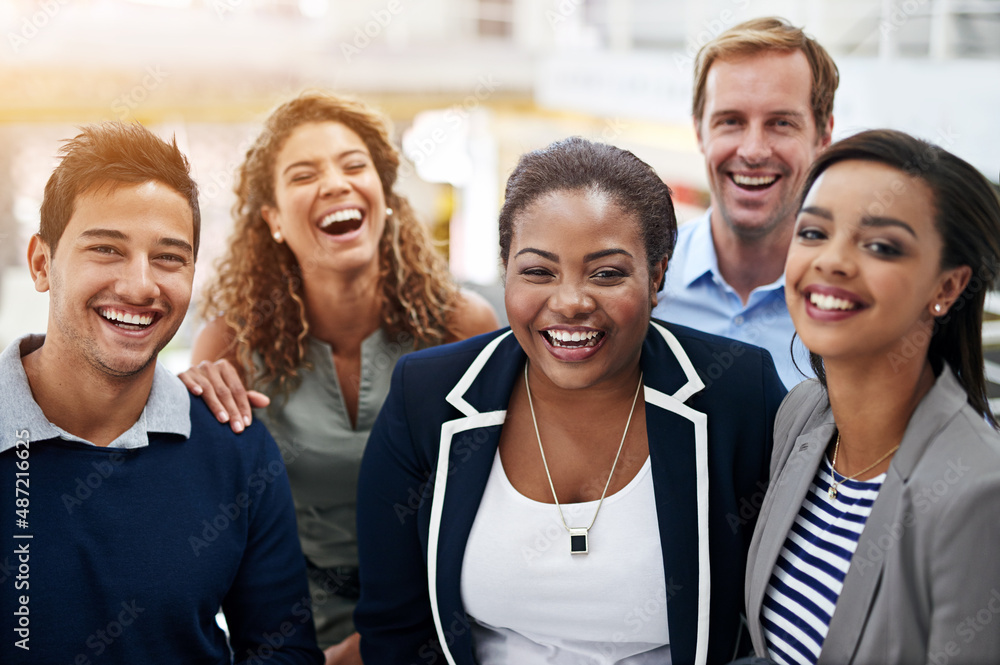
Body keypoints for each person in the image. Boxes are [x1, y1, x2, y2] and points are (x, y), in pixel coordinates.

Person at [354, 137, 786, 665]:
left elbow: (787, 616)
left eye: (607, 273)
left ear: (657, 276)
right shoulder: (427, 396)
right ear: (506, 270)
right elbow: (394, 627)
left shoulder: (738, 392)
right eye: (538, 271)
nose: (571, 302)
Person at [178, 91, 499, 657]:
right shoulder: (232, 347)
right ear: (273, 219)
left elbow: (489, 516)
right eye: (305, 174)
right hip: (290, 640)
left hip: (437, 629)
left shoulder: (461, 328)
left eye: (355, 166)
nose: (336, 184)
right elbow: (213, 536)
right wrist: (183, 421)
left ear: (385, 196)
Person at [0, 123, 322, 663]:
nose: (140, 286)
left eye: (169, 257)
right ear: (41, 264)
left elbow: (282, 651)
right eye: (106, 249)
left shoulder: (237, 448)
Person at [744, 129, 1000, 664]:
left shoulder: (979, 493)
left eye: (881, 246)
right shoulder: (801, 416)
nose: (832, 261)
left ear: (947, 288)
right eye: (813, 233)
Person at [653, 17, 839, 389]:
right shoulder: (641, 285)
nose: (753, 151)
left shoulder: (861, 303)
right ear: (699, 132)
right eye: (731, 121)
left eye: (781, 123)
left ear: (823, 137)